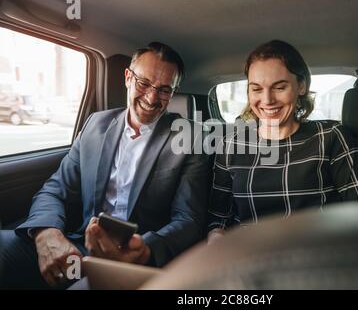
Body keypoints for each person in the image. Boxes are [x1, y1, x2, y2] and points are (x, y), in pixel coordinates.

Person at [0, 42, 211, 289]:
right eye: (143, 83)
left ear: (173, 93)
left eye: (164, 90)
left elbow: (188, 219)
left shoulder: (191, 138)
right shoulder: (95, 125)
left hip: (137, 258)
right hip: (79, 246)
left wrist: (145, 250)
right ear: (127, 77)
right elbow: (56, 188)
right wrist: (47, 233)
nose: (152, 98)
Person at [207, 40, 358, 244]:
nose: (267, 100)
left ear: (301, 86)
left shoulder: (330, 136)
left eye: (280, 87)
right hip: (249, 259)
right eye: (256, 89)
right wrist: (216, 237)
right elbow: (219, 218)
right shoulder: (230, 145)